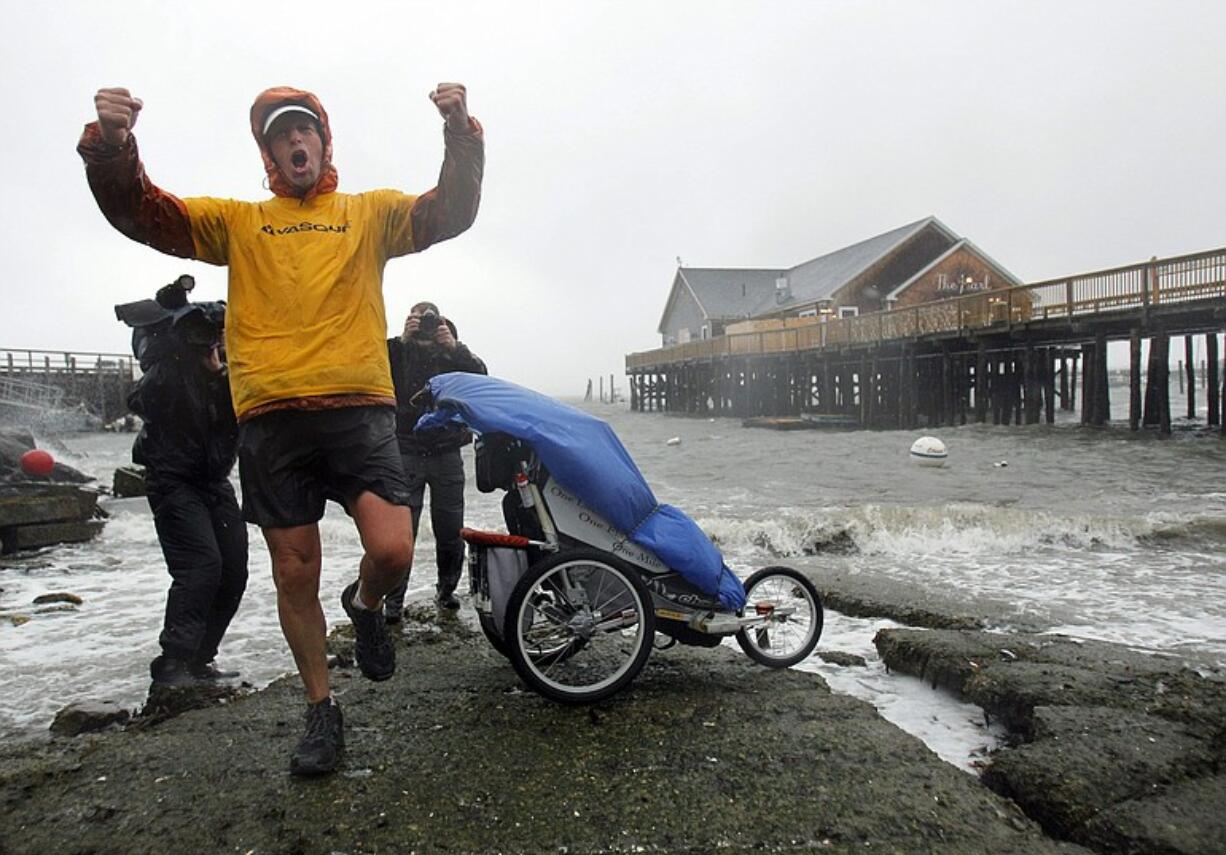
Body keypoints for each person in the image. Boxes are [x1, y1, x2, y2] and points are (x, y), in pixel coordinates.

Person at [79, 84, 483, 775]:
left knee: (392, 547)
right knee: (294, 572)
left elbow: (451, 211)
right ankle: (321, 708)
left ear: (324, 143)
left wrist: (459, 134)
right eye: (279, 136)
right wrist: (114, 150)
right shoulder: (240, 222)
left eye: (305, 133)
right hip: (272, 421)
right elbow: (147, 215)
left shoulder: (368, 214)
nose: (295, 143)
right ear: (267, 153)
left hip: (359, 410)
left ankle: (366, 603)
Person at [120, 276, 247, 687]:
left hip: (214, 481)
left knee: (234, 570)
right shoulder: (166, 373)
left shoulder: (232, 376)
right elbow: (144, 400)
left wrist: (217, 374)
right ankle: (172, 664)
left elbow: (245, 417)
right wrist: (177, 348)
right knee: (200, 567)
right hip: (172, 480)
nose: (215, 340)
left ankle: (201, 659)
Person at [384, 302, 487, 621]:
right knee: (402, 532)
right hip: (406, 451)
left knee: (450, 529)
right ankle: (394, 602)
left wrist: (455, 347)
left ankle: (446, 591)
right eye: (419, 319)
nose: (425, 327)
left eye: (431, 320)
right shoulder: (397, 351)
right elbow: (376, 371)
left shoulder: (451, 352)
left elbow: (481, 378)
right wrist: (403, 342)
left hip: (446, 452)